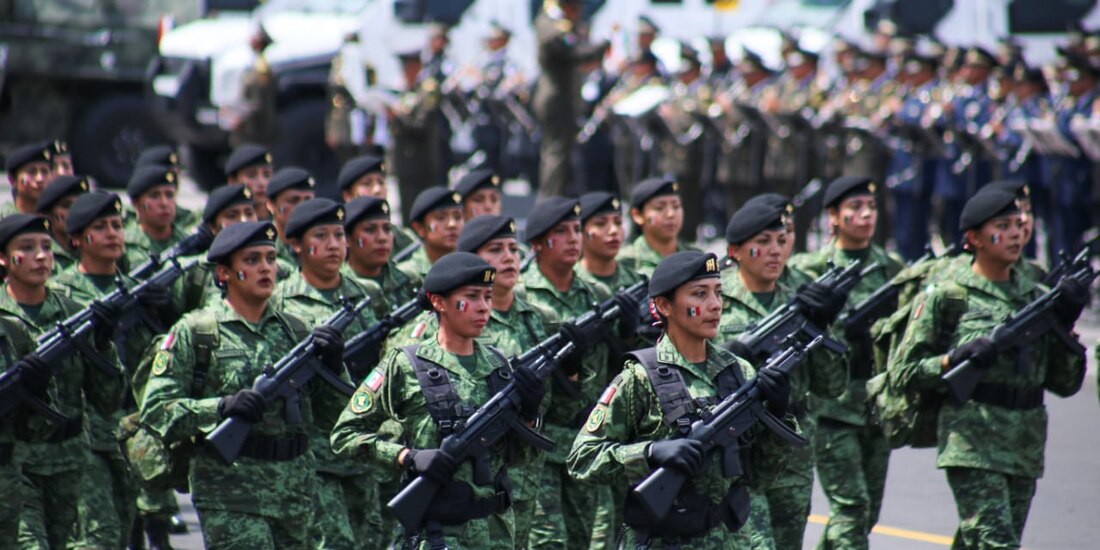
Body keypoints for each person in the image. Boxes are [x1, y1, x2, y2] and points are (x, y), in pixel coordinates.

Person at [891, 189, 1086, 549]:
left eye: (1018, 224)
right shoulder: (949, 294)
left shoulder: (1035, 296)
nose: (1015, 233)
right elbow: (904, 373)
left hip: (1025, 444)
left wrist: (1066, 325)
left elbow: (1064, 383)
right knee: (997, 544)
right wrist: (953, 359)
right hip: (972, 441)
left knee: (977, 543)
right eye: (1002, 226)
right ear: (974, 238)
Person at [140, 221, 348, 549]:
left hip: (295, 493)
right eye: (252, 260)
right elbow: (156, 410)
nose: (265, 268)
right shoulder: (197, 331)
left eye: (270, 258)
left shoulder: (297, 330)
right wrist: (220, 408)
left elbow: (332, 418)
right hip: (230, 492)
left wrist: (335, 367)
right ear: (224, 273)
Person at [568, 250, 795, 548]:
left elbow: (762, 476)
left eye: (718, 292)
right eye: (700, 294)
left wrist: (779, 414)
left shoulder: (738, 371)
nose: (715, 304)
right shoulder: (640, 377)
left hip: (729, 539)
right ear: (664, 306)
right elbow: (582, 459)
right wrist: (649, 453)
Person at [330, 252, 548, 549]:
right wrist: (406, 457)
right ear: (438, 302)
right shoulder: (405, 364)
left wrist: (530, 416)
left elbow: (517, 458)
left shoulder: (498, 365)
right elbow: (345, 435)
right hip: (436, 534)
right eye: (471, 297)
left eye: (487, 296)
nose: (483, 306)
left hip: (495, 533)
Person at [719, 199, 847, 549]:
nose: (775, 250)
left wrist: (822, 325)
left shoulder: (802, 300)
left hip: (791, 451)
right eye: (763, 242)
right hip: (735, 452)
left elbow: (832, 385)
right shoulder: (714, 299)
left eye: (780, 239)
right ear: (735, 251)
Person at [789, 176, 904, 550]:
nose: (866, 215)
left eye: (871, 207)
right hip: (832, 408)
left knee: (865, 514)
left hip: (877, 403)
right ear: (834, 217)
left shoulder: (892, 269)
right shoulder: (809, 269)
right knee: (851, 507)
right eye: (855, 208)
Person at [53, 192, 173, 549]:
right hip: (85, 433)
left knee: (124, 529)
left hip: (130, 431)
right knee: (98, 535)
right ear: (78, 239)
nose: (112, 234)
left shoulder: (137, 291)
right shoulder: (60, 292)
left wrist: (166, 315)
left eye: (118, 225)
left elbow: (153, 365)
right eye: (101, 227)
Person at [0, 213, 124, 548]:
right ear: (4, 258)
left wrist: (103, 345)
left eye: (46, 246)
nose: (41, 256)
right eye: (27, 248)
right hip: (15, 465)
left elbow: (107, 400)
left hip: (70, 463)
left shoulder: (74, 315)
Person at [272, 198, 385, 549]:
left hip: (362, 446)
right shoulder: (280, 301)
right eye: (321, 236)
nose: (334, 245)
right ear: (296, 244)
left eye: (339, 235)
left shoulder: (366, 293)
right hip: (315, 455)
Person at [520, 197, 620, 549]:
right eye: (561, 232)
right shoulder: (522, 295)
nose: (573, 239)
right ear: (538, 244)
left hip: (586, 439)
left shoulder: (596, 294)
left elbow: (614, 365)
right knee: (547, 542)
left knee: (582, 538)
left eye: (576, 230)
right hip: (541, 444)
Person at [533, 0, 608, 198]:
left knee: (560, 154)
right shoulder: (549, 22)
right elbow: (567, 51)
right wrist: (598, 47)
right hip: (556, 99)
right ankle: (549, 201)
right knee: (555, 154)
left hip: (563, 99)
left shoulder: (561, 24)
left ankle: (554, 197)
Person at [388, 49, 442, 223]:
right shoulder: (407, 90)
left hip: (419, 164)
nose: (406, 72)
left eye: (409, 68)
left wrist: (397, 117)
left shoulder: (427, 90)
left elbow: (421, 126)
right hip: (404, 164)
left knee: (420, 214)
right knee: (406, 212)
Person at [342, 196, 421, 308]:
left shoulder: (410, 280)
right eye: (370, 230)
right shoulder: (340, 289)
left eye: (387, 229)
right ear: (347, 239)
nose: (382, 238)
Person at [337, 154, 420, 254]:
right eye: (367, 183)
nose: (377, 190)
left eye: (381, 182)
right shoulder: (337, 240)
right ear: (348, 196)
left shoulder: (405, 236)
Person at [619, 177, 696, 278]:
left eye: (676, 206)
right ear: (638, 215)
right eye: (660, 208)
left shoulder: (695, 257)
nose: (671, 214)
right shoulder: (624, 262)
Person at [124, 165, 187, 272]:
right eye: (154, 196)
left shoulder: (186, 240)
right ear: (136, 203)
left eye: (169, 195)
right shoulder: (124, 244)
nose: (164, 203)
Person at [577, 191, 644, 291]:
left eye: (618, 222)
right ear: (580, 231)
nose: (613, 230)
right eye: (600, 224)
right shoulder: (571, 283)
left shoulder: (638, 282)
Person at [397, 187, 465, 278]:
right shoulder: (405, 275)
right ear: (420, 228)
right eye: (441, 218)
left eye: (458, 217)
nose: (452, 224)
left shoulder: (472, 267)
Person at [229, 24, 278, 147]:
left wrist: (240, 118)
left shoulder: (261, 69)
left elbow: (260, 104)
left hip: (256, 131)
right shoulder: (254, 64)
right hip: (250, 130)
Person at [266, 167, 318, 277]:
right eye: (293, 201)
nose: (302, 207)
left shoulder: (324, 243)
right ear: (271, 205)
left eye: (308, 200)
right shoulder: (263, 246)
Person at [34, 174, 89, 274]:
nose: (75, 211)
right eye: (67, 206)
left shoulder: (91, 251)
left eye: (80, 205)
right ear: (48, 213)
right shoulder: (39, 252)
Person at [225, 143, 275, 221]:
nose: (261, 183)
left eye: (267, 175)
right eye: (251, 175)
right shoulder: (226, 221)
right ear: (233, 181)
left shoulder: (283, 220)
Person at [3, 142, 54, 216]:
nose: (40, 179)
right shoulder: (4, 217)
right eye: (32, 172)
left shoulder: (58, 217)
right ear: (12, 180)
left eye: (45, 172)